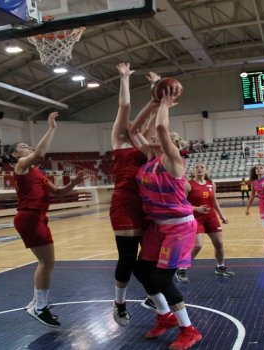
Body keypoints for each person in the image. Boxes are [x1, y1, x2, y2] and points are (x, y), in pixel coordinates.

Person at [129, 86, 203, 350]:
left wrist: (165, 104)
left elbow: (160, 130)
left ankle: (189, 330)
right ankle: (165, 317)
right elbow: (134, 130)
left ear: (170, 143)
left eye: (160, 137)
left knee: (162, 280)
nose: (151, 137)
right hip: (158, 227)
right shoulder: (150, 157)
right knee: (141, 270)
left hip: (179, 228)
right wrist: (151, 103)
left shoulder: (173, 161)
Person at [9, 111, 87, 328]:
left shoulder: (38, 173)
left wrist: (73, 183)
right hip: (29, 218)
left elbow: (59, 193)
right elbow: (40, 152)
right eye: (23, 147)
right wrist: (52, 129)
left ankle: (36, 302)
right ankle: (39, 306)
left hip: (37, 218)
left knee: (46, 262)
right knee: (46, 262)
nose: (28, 148)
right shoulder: (21, 167)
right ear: (16, 155)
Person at [108, 63, 156, 326]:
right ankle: (119, 303)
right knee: (127, 257)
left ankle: (154, 296)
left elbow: (150, 117)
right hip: (125, 202)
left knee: (148, 257)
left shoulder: (142, 139)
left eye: (132, 122)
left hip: (147, 203)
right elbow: (124, 108)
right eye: (125, 121)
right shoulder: (119, 140)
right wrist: (125, 78)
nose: (128, 122)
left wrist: (155, 90)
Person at [176, 162, 233, 283]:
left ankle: (220, 267)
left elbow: (214, 200)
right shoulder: (188, 185)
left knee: (219, 243)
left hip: (211, 218)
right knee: (197, 245)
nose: (199, 169)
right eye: (196, 167)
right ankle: (181, 269)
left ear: (206, 170)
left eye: (202, 167)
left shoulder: (211, 184)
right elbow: (182, 204)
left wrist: (222, 215)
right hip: (196, 218)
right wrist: (197, 208)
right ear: (193, 171)